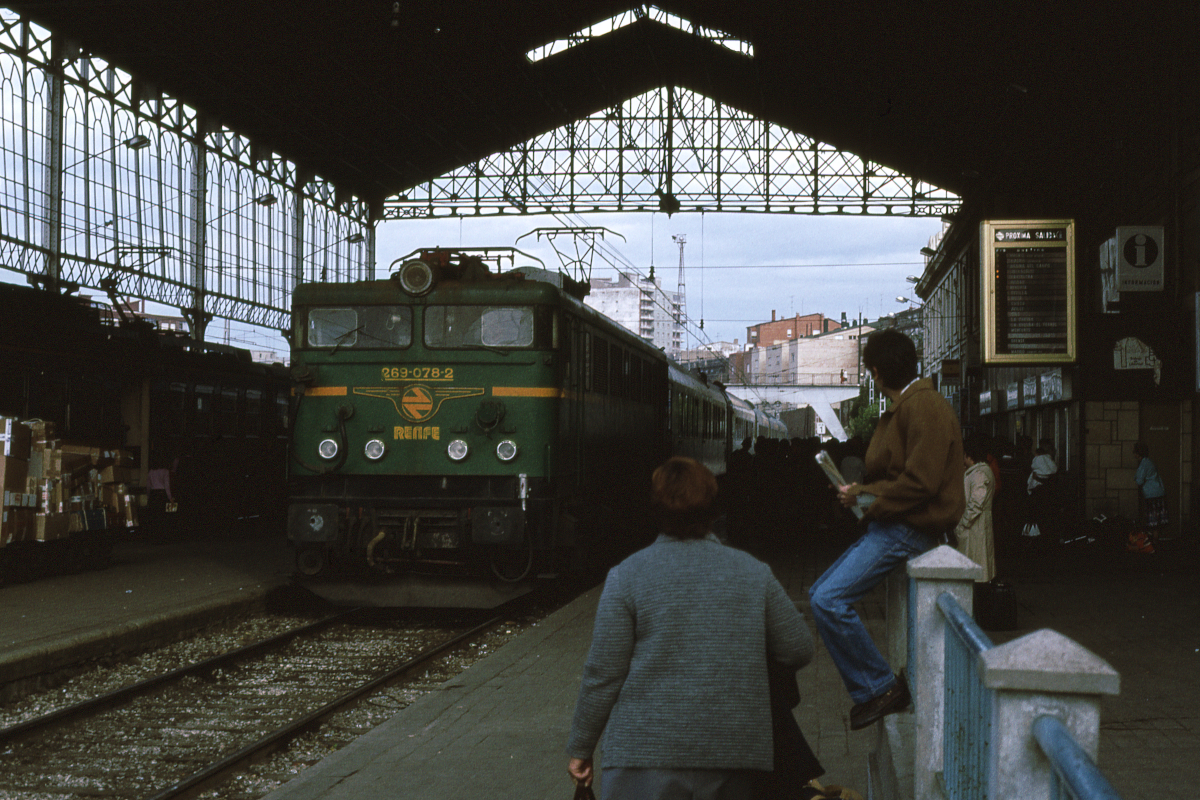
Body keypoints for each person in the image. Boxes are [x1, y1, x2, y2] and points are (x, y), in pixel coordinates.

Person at [566, 456, 816, 799]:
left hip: (644, 756)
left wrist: (582, 747)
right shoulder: (753, 572)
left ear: (656, 509)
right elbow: (798, 647)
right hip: (736, 753)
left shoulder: (627, 576)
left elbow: (603, 674)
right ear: (714, 510)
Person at [808, 329, 965, 731]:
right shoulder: (913, 406)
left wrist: (866, 495)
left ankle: (880, 687)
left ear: (876, 372)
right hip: (894, 526)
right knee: (819, 595)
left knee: (828, 599)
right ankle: (878, 686)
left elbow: (920, 483)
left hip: (906, 530)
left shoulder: (923, 407)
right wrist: (859, 496)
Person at [954, 436, 996, 584]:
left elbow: (975, 503)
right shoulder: (978, 471)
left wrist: (962, 525)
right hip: (977, 528)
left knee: (975, 572)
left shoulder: (979, 474)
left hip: (975, 528)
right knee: (977, 570)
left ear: (968, 455)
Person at [1133, 441, 1167, 547]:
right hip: (1159, 492)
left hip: (1151, 495)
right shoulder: (1150, 462)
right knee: (1157, 520)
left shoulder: (1143, 464)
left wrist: (1136, 476)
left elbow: (1139, 481)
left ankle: (1152, 544)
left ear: (1138, 453)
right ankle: (1156, 541)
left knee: (1152, 519)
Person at [1022, 439, 1057, 538]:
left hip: (1038, 497)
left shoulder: (1037, 461)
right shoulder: (1050, 465)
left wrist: (1036, 479)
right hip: (1045, 500)